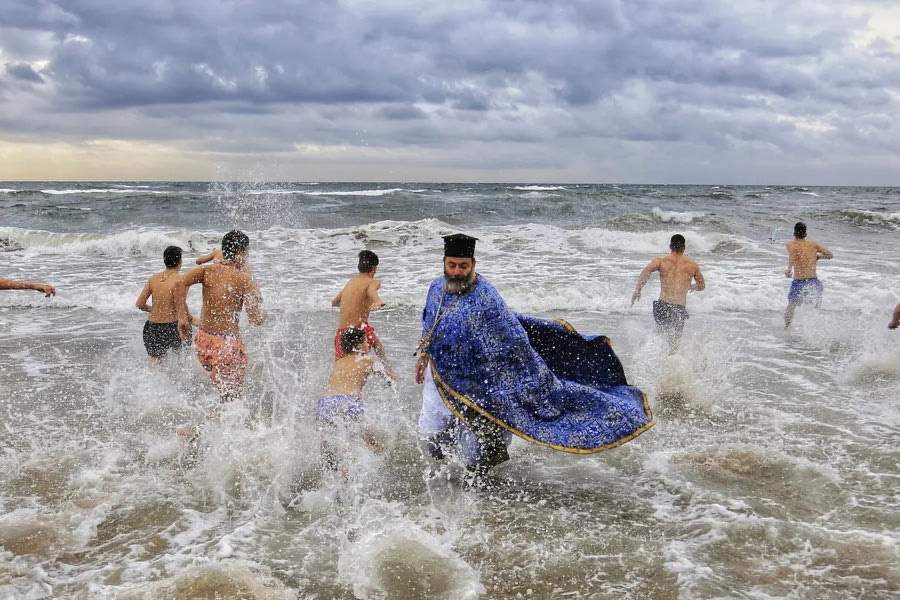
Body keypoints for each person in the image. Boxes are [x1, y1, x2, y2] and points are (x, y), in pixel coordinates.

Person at [415, 233, 653, 479]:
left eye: (463, 266)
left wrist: (523, 380)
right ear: (444, 262)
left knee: (476, 448)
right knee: (431, 434)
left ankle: (478, 495)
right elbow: (430, 322)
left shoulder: (486, 297)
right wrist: (424, 354)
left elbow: (512, 339)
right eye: (451, 265)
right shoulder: (436, 288)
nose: (456, 272)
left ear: (473, 265)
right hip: (439, 374)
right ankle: (440, 478)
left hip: (482, 384)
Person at [174, 230, 266, 415]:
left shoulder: (206, 271)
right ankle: (195, 431)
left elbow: (178, 284)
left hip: (204, 342)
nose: (247, 257)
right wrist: (264, 309)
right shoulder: (244, 279)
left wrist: (182, 317)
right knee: (231, 399)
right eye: (247, 253)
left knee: (228, 396)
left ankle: (212, 435)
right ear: (240, 253)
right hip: (226, 346)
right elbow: (256, 319)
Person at [317, 327, 385, 468]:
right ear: (359, 346)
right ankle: (382, 464)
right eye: (367, 342)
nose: (369, 345)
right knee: (370, 442)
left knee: (328, 446)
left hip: (325, 402)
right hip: (348, 400)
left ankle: (331, 472)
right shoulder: (367, 360)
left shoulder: (339, 362)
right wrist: (389, 379)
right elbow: (386, 378)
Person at [631, 234, 705, 351]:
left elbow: (647, 270)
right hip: (679, 308)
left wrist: (638, 290)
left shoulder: (661, 261)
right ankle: (672, 363)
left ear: (670, 246)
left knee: (660, 335)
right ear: (684, 247)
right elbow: (702, 286)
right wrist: (694, 286)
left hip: (663, 305)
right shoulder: (692, 265)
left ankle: (651, 355)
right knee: (674, 342)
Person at [331, 250, 396, 378]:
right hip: (359, 331)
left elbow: (335, 302)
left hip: (342, 333)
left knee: (343, 367)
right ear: (374, 269)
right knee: (377, 346)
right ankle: (388, 371)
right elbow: (372, 290)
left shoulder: (350, 282)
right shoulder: (373, 282)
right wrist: (377, 301)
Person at [135, 246, 196, 364]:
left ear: (165, 261)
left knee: (155, 359)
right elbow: (181, 304)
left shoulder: (153, 279)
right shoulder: (182, 280)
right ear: (180, 261)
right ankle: (181, 380)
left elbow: (140, 304)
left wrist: (155, 309)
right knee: (183, 356)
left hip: (152, 326)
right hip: (173, 326)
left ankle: (149, 381)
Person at [784, 222, 833, 328]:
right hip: (814, 282)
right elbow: (830, 255)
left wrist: (789, 268)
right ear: (805, 234)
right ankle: (814, 330)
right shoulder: (813, 244)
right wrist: (818, 257)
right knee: (815, 308)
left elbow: (793, 253)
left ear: (794, 233)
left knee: (791, 307)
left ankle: (787, 328)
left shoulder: (791, 244)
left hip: (799, 282)